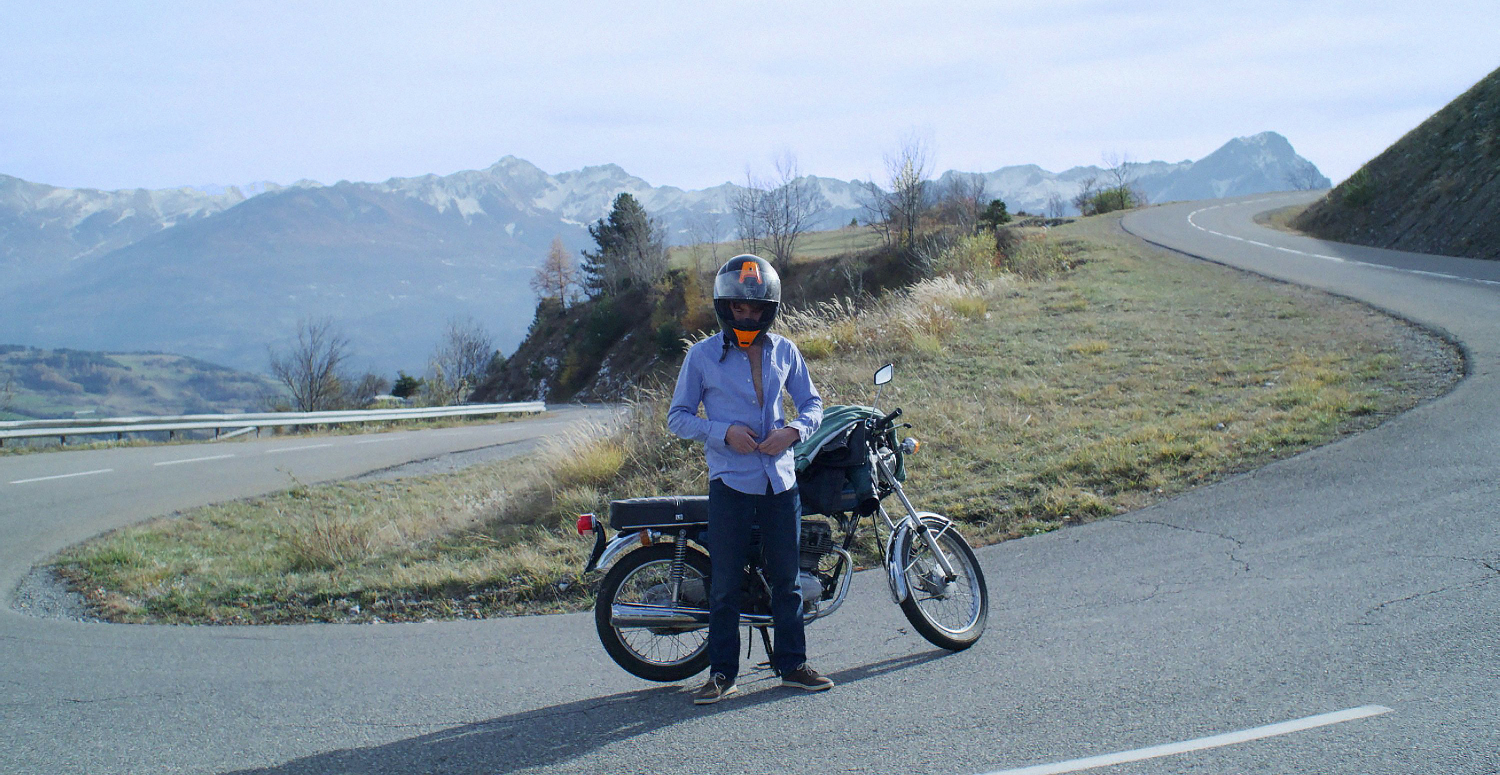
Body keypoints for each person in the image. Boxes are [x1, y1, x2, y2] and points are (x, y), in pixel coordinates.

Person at [667, 254, 831, 705]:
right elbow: (678, 417)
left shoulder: (785, 351)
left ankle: (793, 666)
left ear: (768, 309)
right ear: (725, 307)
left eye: (755, 308)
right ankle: (722, 673)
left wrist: (793, 431)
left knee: (787, 581)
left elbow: (813, 404)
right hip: (731, 483)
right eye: (738, 307)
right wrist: (723, 433)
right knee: (725, 585)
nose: (747, 316)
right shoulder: (701, 356)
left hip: (780, 482)